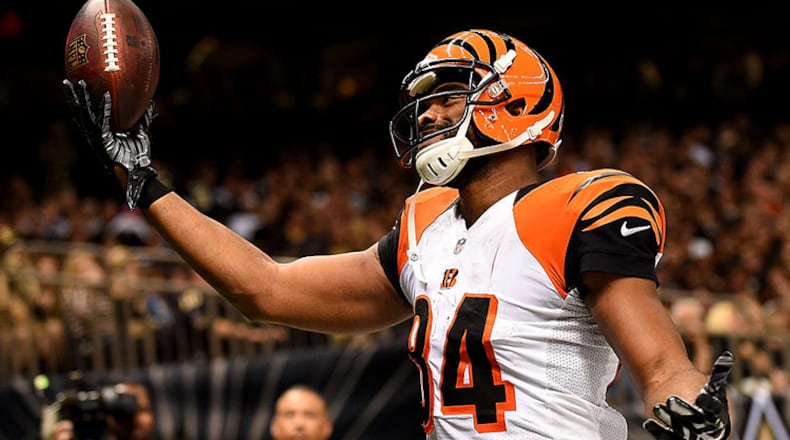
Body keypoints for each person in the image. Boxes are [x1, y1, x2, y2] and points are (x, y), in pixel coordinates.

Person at [62, 28, 734, 439]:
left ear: (520, 102)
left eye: (452, 93)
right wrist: (143, 181)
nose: (431, 111)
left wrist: (686, 409)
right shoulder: (425, 225)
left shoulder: (580, 204)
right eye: (427, 99)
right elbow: (263, 289)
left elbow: (661, 365)